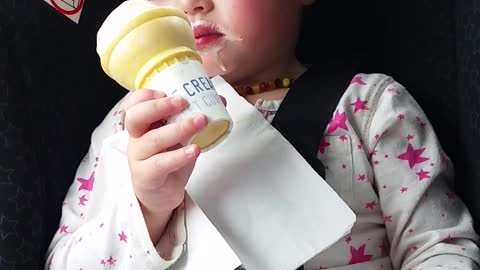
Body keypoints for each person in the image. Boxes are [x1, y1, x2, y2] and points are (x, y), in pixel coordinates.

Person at [46, 0, 480, 269]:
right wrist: (147, 209)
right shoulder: (130, 128)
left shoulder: (368, 107)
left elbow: (437, 247)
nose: (193, 3)